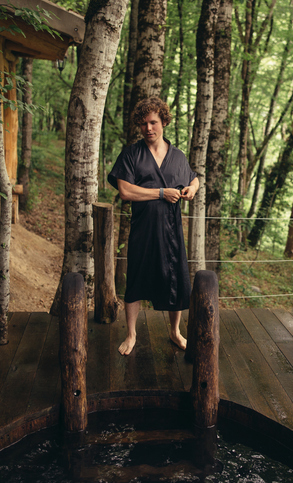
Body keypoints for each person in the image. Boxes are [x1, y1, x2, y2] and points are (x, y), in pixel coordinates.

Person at [108, 97, 200, 356]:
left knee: (176, 280)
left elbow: (194, 178)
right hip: (143, 229)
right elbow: (125, 190)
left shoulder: (178, 156)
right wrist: (161, 193)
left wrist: (192, 189)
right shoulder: (131, 154)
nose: (148, 128)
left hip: (171, 231)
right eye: (143, 123)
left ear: (164, 122)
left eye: (153, 122)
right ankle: (131, 334)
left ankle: (175, 332)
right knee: (136, 279)